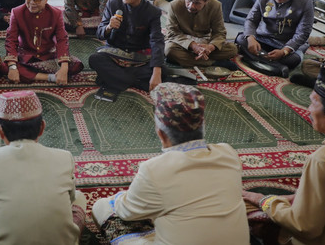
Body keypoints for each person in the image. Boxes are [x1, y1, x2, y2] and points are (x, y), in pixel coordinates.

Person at [92, 83, 249, 244]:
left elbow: (126, 212)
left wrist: (122, 197)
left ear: (160, 133)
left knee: (103, 207)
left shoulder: (154, 170)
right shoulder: (228, 153)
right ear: (203, 126)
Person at [0, 90, 86, 244]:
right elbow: (71, 198)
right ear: (42, 127)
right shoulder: (64, 157)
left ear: (0, 130)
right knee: (80, 197)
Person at [243, 66, 325, 245]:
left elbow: (305, 227)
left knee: (249, 223)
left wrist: (263, 200)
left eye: (312, 103)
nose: (308, 109)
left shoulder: (324, 159)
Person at [89, 0, 164, 101]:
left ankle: (113, 79)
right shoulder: (113, 4)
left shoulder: (153, 12)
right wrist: (108, 27)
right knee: (94, 59)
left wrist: (157, 72)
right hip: (115, 55)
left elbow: (157, 41)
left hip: (139, 58)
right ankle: (138, 83)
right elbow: (100, 34)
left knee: (161, 68)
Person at [1, 0, 84, 85]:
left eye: (37, 0)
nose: (31, 3)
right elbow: (10, 41)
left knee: (76, 64)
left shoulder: (56, 13)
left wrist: (64, 67)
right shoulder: (17, 12)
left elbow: (62, 40)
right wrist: (12, 67)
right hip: (26, 57)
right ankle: (50, 77)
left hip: (48, 56)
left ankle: (32, 75)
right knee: (5, 66)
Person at [235, 0, 314, 78]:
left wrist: (284, 51)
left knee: (293, 60)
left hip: (286, 43)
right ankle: (276, 67)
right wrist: (251, 37)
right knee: (241, 39)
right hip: (264, 38)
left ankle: (255, 59)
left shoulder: (305, 2)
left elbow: (303, 32)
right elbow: (251, 20)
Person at [165, 0, 238, 68]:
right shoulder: (174, 5)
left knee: (232, 49)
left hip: (204, 42)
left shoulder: (215, 6)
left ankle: (184, 59)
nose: (191, 6)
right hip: (183, 43)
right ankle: (212, 63)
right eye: (188, 0)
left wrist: (210, 47)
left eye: (196, 3)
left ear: (206, 1)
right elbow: (172, 33)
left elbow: (220, 33)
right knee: (169, 50)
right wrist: (192, 46)